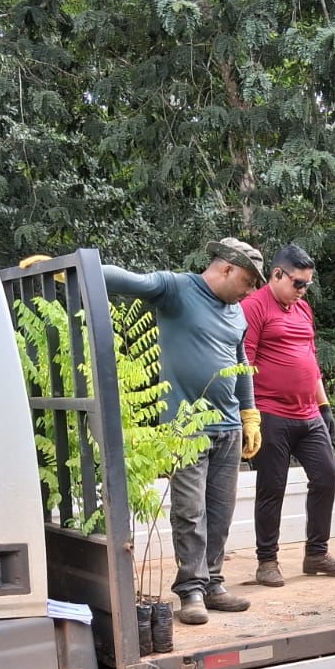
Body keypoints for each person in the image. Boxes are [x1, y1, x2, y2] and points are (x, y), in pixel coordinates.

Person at [103, 238, 266, 625]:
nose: (249, 291)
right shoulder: (176, 289)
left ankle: (213, 583)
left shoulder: (238, 313)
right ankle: (191, 589)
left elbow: (240, 361)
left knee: (220, 512)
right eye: (246, 281)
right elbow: (127, 280)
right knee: (190, 511)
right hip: (185, 428)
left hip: (227, 428)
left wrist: (249, 413)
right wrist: (75, 271)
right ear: (226, 268)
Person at [242, 244, 335, 586]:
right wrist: (249, 414)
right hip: (271, 412)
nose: (303, 290)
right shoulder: (254, 307)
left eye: (307, 284)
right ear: (277, 274)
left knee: (326, 477)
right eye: (298, 283)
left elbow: (310, 360)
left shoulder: (303, 309)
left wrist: (324, 407)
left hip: (308, 413)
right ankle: (267, 561)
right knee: (271, 487)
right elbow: (243, 363)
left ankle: (316, 553)